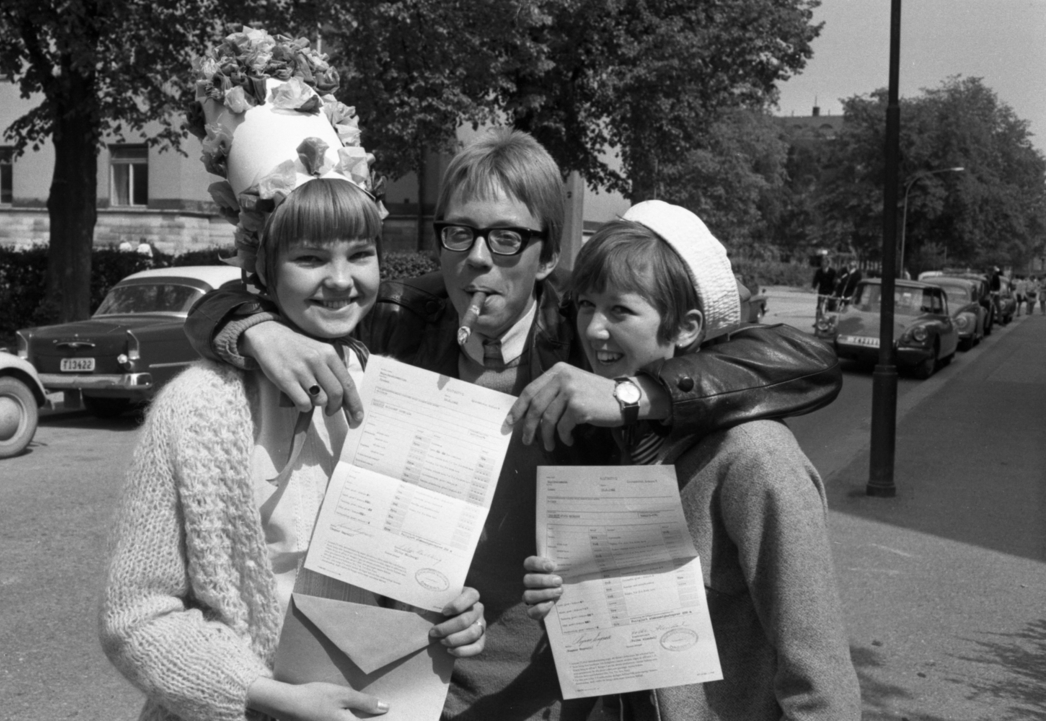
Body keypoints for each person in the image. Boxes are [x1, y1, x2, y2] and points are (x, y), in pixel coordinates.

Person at [184, 128, 843, 720]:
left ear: (548, 256)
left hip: (562, 696)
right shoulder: (397, 318)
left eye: (506, 238)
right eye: (459, 233)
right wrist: (255, 328)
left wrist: (632, 393)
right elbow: (254, 288)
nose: (478, 258)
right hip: (409, 687)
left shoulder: (588, 334)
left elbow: (803, 361)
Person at [100, 28, 486, 721]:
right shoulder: (195, 410)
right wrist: (261, 695)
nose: (341, 280)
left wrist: (452, 611)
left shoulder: (398, 390)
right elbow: (136, 614)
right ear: (264, 264)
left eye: (359, 253)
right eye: (310, 258)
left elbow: (409, 582)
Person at [523, 202, 860, 720]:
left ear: (686, 328)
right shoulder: (615, 439)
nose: (593, 329)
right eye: (587, 305)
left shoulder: (757, 458)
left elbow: (822, 682)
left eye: (620, 310)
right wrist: (571, 599)